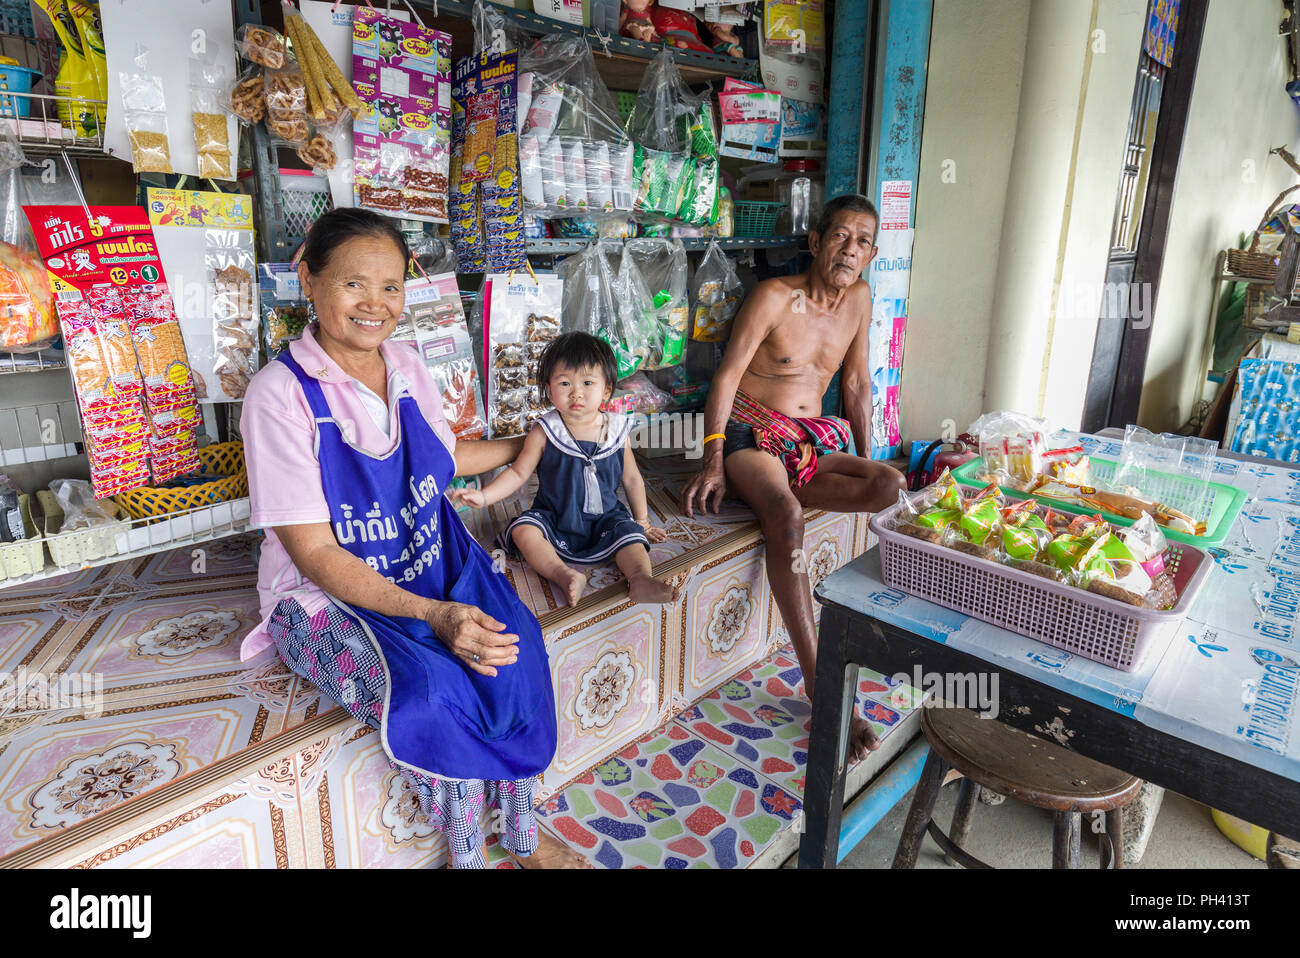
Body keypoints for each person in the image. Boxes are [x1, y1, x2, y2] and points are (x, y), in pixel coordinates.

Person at [239, 208, 588, 869]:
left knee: (516, 642)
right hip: (319, 599)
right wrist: (435, 614)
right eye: (353, 285)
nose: (375, 305)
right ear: (309, 282)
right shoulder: (278, 396)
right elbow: (314, 554)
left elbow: (440, 457)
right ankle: (468, 855)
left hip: (419, 563)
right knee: (429, 691)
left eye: (392, 287)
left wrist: (537, 442)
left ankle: (522, 835)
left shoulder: (403, 362)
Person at [680, 193, 907, 763]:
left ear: (872, 253)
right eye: (839, 237)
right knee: (785, 516)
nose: (849, 250)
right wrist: (711, 456)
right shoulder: (776, 298)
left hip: (809, 441)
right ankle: (819, 683)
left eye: (861, 242)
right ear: (815, 241)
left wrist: (867, 455)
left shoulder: (859, 300)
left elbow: (855, 386)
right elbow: (727, 376)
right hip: (749, 435)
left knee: (890, 487)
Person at [452, 331, 679, 607]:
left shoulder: (617, 431)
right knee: (523, 530)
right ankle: (564, 575)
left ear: (607, 389)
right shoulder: (545, 431)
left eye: (587, 382)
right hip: (554, 520)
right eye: (564, 383)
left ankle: (641, 578)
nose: (576, 393)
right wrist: (485, 497)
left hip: (605, 520)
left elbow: (632, 479)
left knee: (630, 535)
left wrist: (642, 522)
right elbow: (518, 473)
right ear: (549, 389)